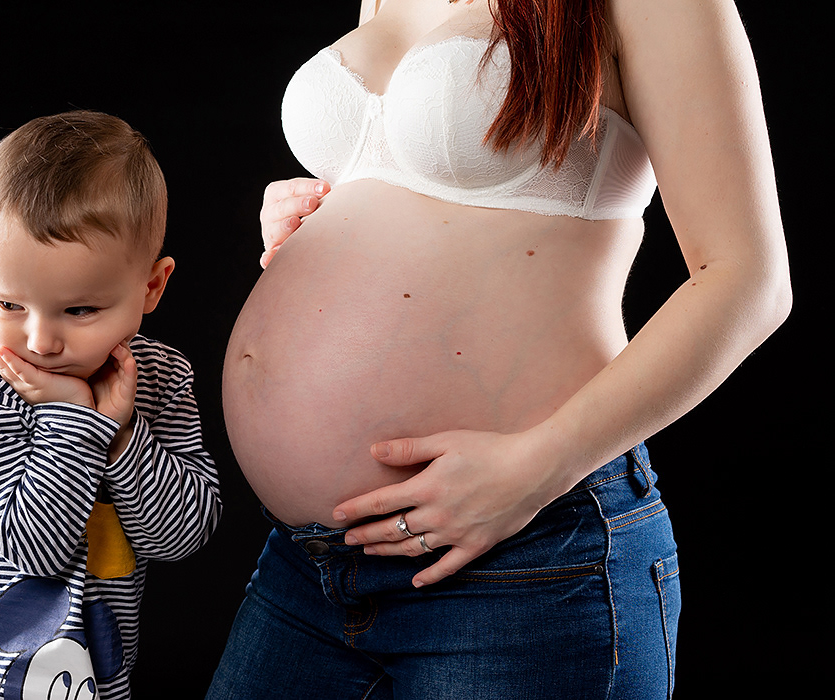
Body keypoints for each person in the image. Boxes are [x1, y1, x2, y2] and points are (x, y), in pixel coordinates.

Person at [211, 0, 790, 697]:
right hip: (309, 564)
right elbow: (414, 181)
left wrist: (537, 467)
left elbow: (748, 280)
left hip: (526, 558)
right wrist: (323, 211)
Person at [0, 111, 222, 700]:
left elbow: (183, 536)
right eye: (9, 304)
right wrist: (77, 419)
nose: (39, 341)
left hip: (86, 685)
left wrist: (122, 435)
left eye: (79, 310)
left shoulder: (161, 379)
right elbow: (34, 548)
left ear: (152, 287)